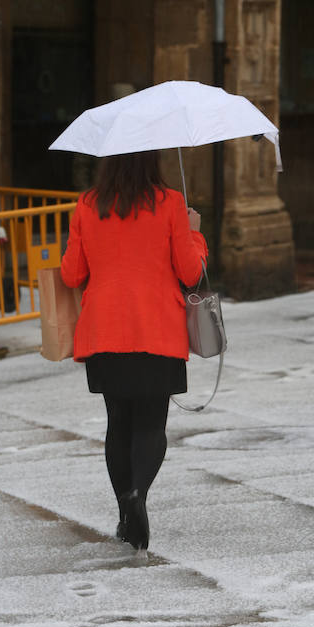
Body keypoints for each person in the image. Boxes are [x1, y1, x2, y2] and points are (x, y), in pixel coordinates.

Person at [60, 151, 207, 554]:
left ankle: (126, 514)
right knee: (150, 424)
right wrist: (194, 232)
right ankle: (138, 495)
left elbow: (72, 273)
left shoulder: (88, 204)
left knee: (118, 423)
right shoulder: (170, 203)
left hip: (104, 331)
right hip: (157, 330)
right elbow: (191, 272)